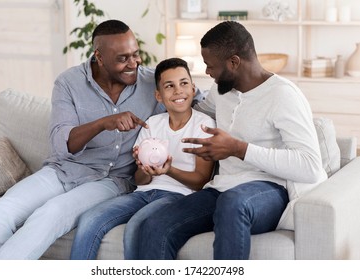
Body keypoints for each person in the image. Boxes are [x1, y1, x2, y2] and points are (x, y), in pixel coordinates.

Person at [0, 19, 172, 260]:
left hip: (111, 181)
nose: (134, 63)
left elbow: (193, 97)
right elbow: (61, 143)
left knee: (51, 213)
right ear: (99, 57)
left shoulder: (153, 83)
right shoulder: (69, 82)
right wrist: (102, 123)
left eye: (136, 54)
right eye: (123, 58)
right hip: (63, 170)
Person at [135, 21, 328, 260]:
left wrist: (239, 149)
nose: (207, 72)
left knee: (232, 203)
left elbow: (309, 165)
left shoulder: (283, 95)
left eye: (210, 66)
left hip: (268, 189)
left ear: (234, 62)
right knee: (156, 224)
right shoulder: (221, 91)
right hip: (221, 188)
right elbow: (191, 111)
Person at [69, 57, 215, 260]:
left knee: (136, 227)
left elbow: (200, 181)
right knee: (90, 219)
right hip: (142, 193)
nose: (178, 91)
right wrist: (144, 169)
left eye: (184, 84)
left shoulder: (204, 125)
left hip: (177, 196)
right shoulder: (152, 124)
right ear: (159, 95)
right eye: (169, 86)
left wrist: (169, 170)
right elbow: (139, 180)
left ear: (193, 88)